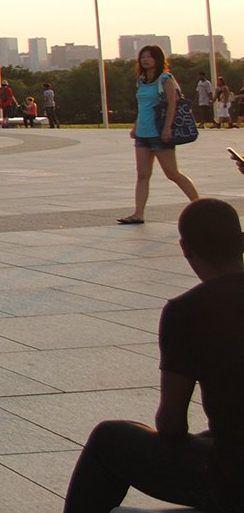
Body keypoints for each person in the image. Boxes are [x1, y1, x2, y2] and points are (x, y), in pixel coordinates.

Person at [64, 198, 244, 512]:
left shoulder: (188, 311)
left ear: (185, 248)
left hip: (232, 481)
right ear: (241, 241)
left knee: (110, 440)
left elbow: (171, 423)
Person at [118, 45, 199, 225]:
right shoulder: (141, 81)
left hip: (160, 133)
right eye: (142, 57)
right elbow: (143, 107)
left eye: (149, 57)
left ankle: (200, 205)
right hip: (143, 134)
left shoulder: (165, 79)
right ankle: (138, 213)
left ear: (158, 59)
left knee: (172, 173)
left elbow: (172, 105)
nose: (145, 60)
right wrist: (136, 127)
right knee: (142, 175)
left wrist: (167, 128)